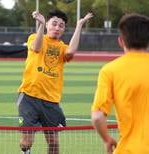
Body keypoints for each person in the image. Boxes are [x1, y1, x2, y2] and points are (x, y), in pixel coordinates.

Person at [17, 9, 93, 154]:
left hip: (51, 100)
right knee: (27, 140)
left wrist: (79, 25)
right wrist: (40, 24)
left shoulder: (62, 47)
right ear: (47, 25)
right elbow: (37, 48)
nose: (57, 28)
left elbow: (71, 53)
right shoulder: (34, 37)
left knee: (53, 142)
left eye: (61, 25)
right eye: (54, 24)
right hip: (28, 96)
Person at [91, 13, 149, 154]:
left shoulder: (110, 70)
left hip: (129, 149)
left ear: (121, 41)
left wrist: (107, 139)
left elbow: (98, 116)